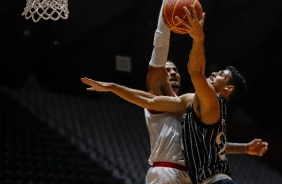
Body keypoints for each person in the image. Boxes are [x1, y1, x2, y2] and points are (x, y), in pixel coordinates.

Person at [81, 3, 268, 184]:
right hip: (167, 171)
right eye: (167, 70)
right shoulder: (168, 96)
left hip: (194, 177)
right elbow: (158, 66)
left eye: (175, 70)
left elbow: (209, 146)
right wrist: (166, 10)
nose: (172, 72)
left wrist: (245, 148)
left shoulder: (191, 102)